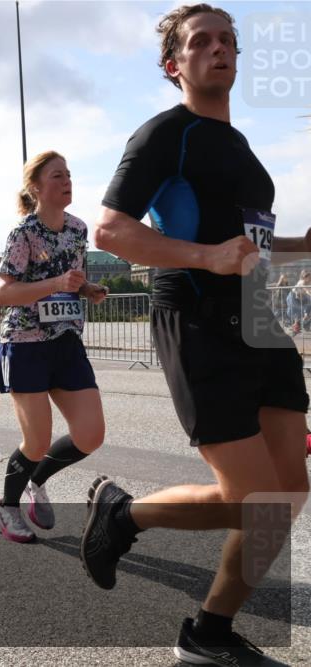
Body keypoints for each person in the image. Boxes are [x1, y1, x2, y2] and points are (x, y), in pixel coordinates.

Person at [84, 5, 309, 664]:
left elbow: (254, 250)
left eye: (228, 40)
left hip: (260, 318)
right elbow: (111, 230)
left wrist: (302, 247)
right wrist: (208, 257)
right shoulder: (165, 134)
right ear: (172, 64)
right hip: (199, 317)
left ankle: (210, 633)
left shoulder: (244, 151)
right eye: (201, 41)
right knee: (251, 499)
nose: (219, 49)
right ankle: (124, 515)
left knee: (287, 493)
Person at [0, 150, 109, 543]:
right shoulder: (23, 233)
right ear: (36, 187)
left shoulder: (77, 229)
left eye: (69, 174)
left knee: (90, 434)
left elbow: (72, 278)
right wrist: (55, 285)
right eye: (57, 175)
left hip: (65, 340)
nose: (67, 181)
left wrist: (87, 289)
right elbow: (4, 292)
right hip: (25, 342)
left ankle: (34, 482)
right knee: (37, 441)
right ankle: (6, 509)